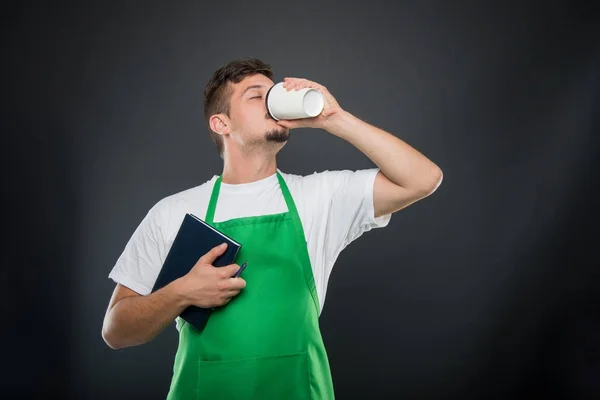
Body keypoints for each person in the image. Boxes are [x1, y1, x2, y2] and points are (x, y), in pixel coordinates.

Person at [101, 57, 443, 399]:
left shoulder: (319, 197)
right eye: (255, 95)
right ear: (221, 123)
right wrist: (182, 293)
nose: (271, 101)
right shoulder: (173, 212)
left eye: (273, 93)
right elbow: (116, 331)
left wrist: (335, 119)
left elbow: (422, 179)